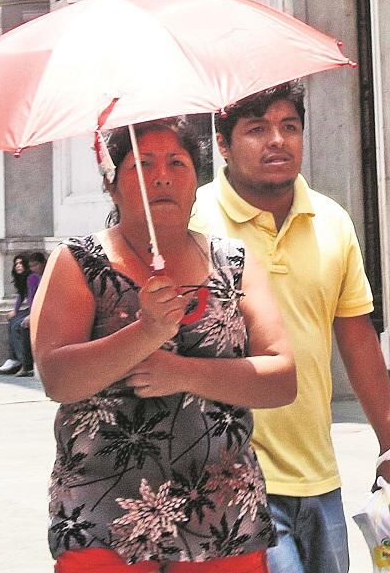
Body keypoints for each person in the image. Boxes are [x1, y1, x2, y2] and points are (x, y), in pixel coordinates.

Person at [32, 116, 295, 571]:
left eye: (178, 162)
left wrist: (182, 372)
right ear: (113, 187)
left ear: (197, 181)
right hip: (103, 518)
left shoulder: (232, 262)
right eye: (142, 164)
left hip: (223, 516)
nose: (162, 175)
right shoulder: (78, 262)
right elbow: (58, 378)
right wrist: (145, 333)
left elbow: (281, 378)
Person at [191, 81, 390, 573]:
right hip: (229, 477)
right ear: (223, 143)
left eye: (289, 127)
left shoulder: (333, 220)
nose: (277, 141)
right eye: (257, 129)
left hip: (319, 476)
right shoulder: (193, 221)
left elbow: (357, 340)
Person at [0, 255, 31, 374]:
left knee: (17, 325)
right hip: (30, 308)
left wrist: (30, 314)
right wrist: (15, 311)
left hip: (35, 308)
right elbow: (21, 296)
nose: (18, 266)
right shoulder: (21, 279)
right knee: (12, 321)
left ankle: (23, 361)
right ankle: (14, 358)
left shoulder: (32, 278)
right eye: (16, 264)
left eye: (21, 264)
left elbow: (33, 297)